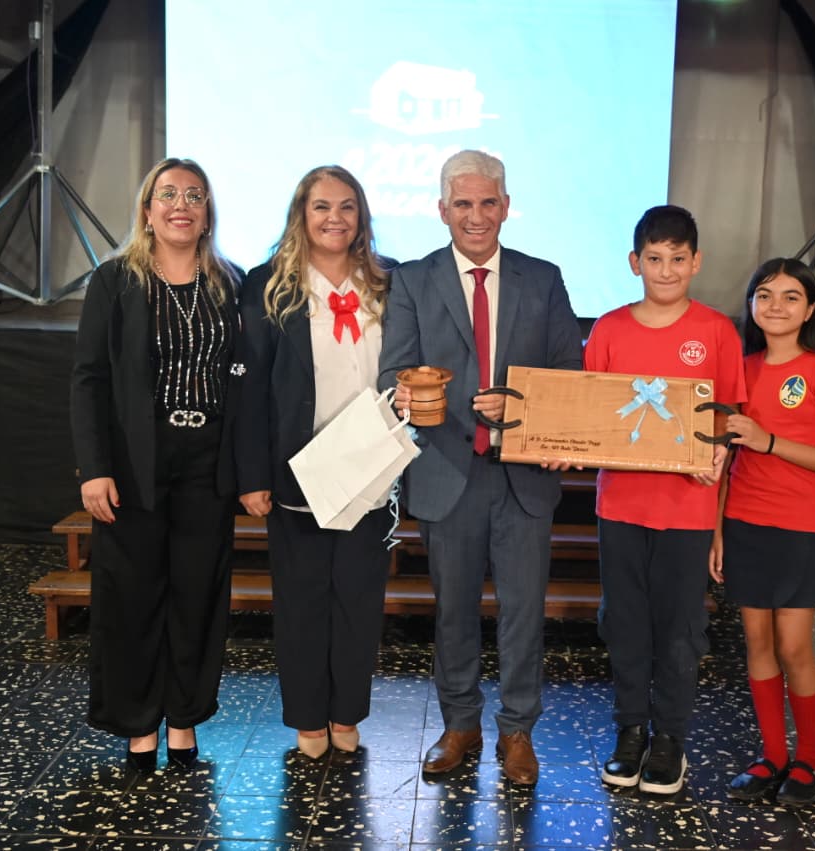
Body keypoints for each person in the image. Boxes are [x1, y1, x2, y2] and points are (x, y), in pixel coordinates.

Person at [379, 150, 583, 785]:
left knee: (524, 614)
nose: (476, 216)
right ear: (443, 210)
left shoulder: (542, 279)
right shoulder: (413, 280)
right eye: (463, 204)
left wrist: (523, 408)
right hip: (446, 470)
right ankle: (460, 723)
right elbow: (392, 373)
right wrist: (409, 394)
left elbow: (568, 375)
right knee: (453, 613)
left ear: (506, 207)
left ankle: (518, 731)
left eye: (488, 202)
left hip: (524, 477)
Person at [71, 157, 242, 772]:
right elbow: (89, 379)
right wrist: (94, 467)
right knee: (132, 598)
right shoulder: (115, 281)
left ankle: (184, 721)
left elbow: (244, 378)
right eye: (167, 194)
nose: (181, 205)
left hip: (207, 463)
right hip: (133, 463)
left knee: (197, 596)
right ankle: (139, 726)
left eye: (194, 195)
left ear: (207, 213)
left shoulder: (231, 283)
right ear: (147, 211)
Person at [583, 205, 744, 795]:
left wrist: (718, 450)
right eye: (655, 258)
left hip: (688, 509)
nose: (667, 269)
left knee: (680, 629)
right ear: (635, 263)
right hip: (620, 506)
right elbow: (591, 412)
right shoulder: (608, 330)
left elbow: (727, 416)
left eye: (678, 258)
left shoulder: (717, 331)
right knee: (624, 623)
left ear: (696, 262)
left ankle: (670, 738)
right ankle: (630, 732)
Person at [233, 166, 393, 759]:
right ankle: (307, 717)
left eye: (347, 206)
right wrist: (252, 475)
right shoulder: (268, 285)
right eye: (322, 206)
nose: (335, 218)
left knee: (358, 599)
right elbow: (249, 390)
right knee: (302, 602)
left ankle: (347, 711)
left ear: (362, 216)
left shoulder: (389, 282)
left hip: (370, 468)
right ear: (301, 214)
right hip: (296, 470)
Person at [712, 258, 815, 807]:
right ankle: (771, 755)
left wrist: (769, 441)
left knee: (794, 647)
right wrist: (717, 531)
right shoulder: (741, 368)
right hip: (744, 522)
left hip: (799, 526)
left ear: (810, 309)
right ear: (751, 305)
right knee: (758, 644)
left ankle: (809, 758)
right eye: (764, 295)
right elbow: (726, 461)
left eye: (791, 296)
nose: (776, 306)